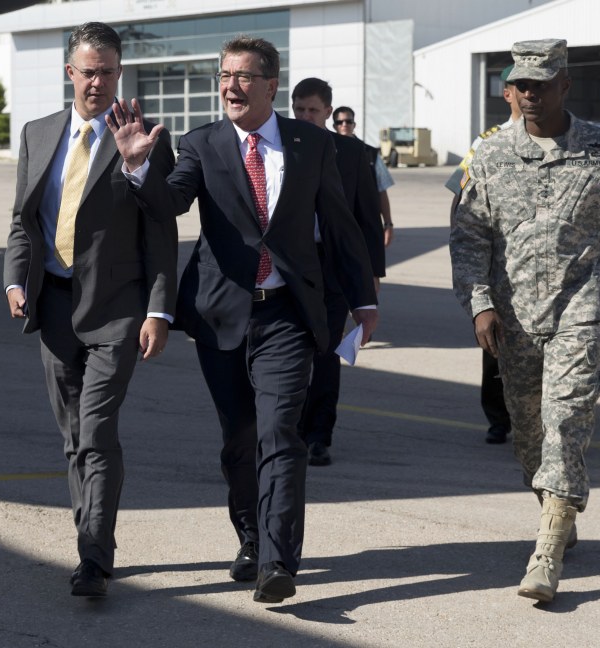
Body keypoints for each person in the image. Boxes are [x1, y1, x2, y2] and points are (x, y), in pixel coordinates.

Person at [106, 36, 378, 604]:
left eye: (244, 77)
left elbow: (340, 222)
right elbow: (171, 202)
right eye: (225, 76)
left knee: (282, 432)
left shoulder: (311, 143)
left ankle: (279, 561)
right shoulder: (202, 142)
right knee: (240, 438)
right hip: (220, 311)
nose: (231, 86)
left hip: (287, 312)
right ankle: (251, 538)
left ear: (271, 85)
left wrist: (363, 297)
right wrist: (137, 169)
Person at [450, 38, 600, 603]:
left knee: (565, 420)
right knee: (530, 436)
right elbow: (470, 235)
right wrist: (479, 303)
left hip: (579, 308)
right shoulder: (491, 155)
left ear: (565, 84)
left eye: (542, 85)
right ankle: (559, 511)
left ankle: (545, 551)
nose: (531, 96)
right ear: (509, 91)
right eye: (522, 86)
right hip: (514, 316)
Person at [3, 22, 178, 598]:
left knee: (98, 430)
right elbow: (23, 221)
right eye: (88, 70)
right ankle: (91, 542)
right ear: (69, 73)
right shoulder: (38, 133)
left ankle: (94, 558)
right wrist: (14, 279)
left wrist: (158, 310)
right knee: (74, 437)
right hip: (53, 308)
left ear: (119, 73)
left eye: (107, 70)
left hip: (117, 311)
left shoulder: (146, 135)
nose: (97, 81)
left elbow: (161, 226)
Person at [291, 78, 384, 467]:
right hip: (292, 268)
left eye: (313, 110)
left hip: (333, 269)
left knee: (325, 354)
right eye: (299, 110)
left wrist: (369, 285)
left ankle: (318, 436)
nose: (305, 117)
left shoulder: (352, 153)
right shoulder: (283, 145)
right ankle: (290, 430)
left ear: (329, 112)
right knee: (290, 355)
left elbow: (367, 219)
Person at [448, 64, 521, 445]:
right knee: (495, 343)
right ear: (506, 93)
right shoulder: (487, 141)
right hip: (499, 266)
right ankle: (498, 417)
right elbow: (461, 200)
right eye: (519, 86)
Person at [332, 105, 396, 247]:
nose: (344, 125)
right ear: (334, 126)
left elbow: (382, 190)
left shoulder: (370, 154)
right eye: (340, 122)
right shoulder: (327, 152)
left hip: (365, 224)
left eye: (348, 122)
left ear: (354, 125)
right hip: (337, 226)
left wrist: (388, 223)